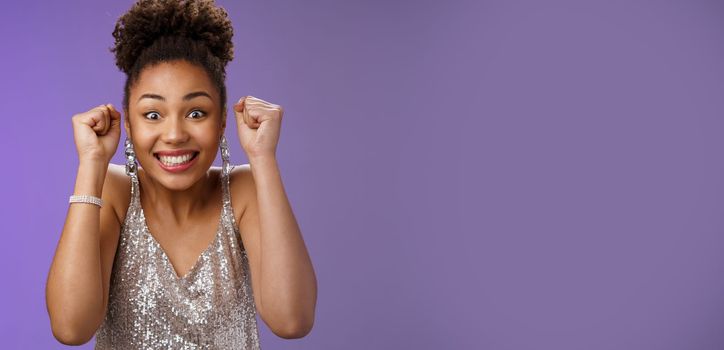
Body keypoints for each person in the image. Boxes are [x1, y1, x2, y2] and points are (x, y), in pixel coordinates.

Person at [45, 0, 317, 348]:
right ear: (128, 122)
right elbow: (71, 328)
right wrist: (91, 163)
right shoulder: (113, 191)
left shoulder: (243, 190)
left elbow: (292, 320)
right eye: (153, 114)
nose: (174, 134)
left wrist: (263, 158)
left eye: (196, 113)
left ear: (221, 123)